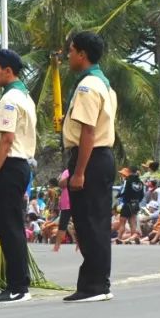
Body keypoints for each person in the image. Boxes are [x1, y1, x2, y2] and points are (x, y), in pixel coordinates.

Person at [61, 30, 117, 303]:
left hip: (91, 157)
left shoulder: (87, 87)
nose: (68, 55)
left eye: (71, 50)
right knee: (95, 221)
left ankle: (96, 285)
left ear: (82, 54)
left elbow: (88, 132)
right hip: (101, 156)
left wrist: (79, 171)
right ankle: (95, 282)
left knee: (89, 223)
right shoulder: (103, 83)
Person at [0, 49, 36, 304]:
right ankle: (18, 283)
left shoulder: (10, 99)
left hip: (9, 165)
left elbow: (6, 140)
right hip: (18, 164)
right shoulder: (24, 95)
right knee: (12, 224)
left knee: (9, 226)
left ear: (8, 71)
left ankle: (17, 286)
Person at [117, 168, 144, 243]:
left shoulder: (127, 181)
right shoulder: (140, 182)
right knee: (133, 223)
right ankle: (132, 239)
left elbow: (123, 192)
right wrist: (136, 201)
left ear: (129, 172)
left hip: (127, 204)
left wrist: (118, 196)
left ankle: (118, 238)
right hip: (136, 204)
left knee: (122, 222)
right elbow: (142, 195)